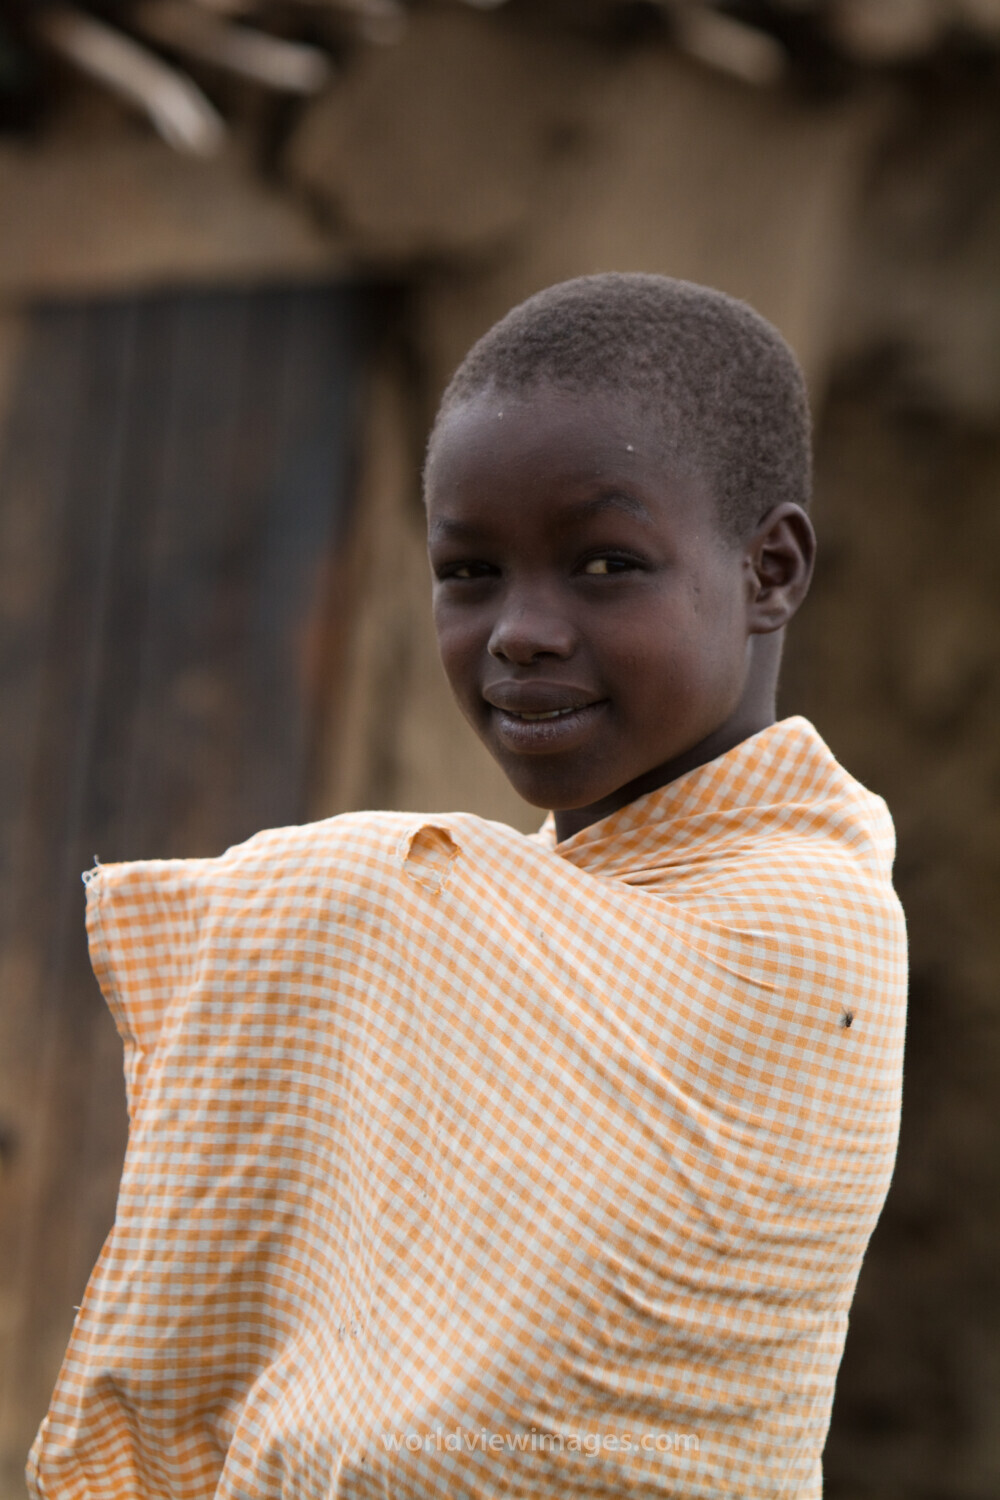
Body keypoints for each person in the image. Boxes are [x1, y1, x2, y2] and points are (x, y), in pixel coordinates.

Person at [28, 274, 907, 1500]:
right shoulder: (523, 926)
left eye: (604, 564)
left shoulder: (806, 919)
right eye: (469, 572)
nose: (521, 631)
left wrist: (324, 891)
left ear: (769, 569)